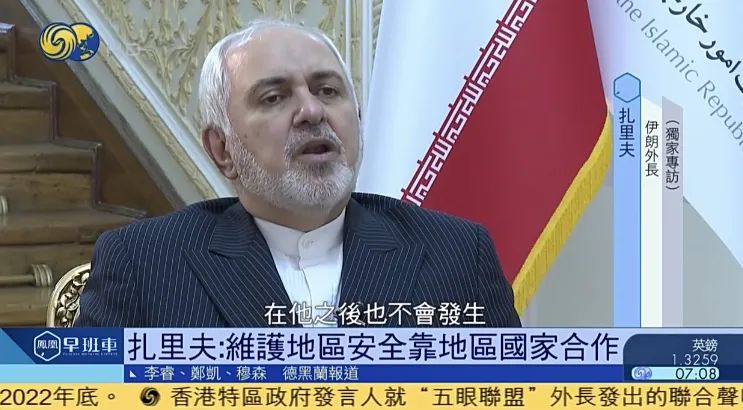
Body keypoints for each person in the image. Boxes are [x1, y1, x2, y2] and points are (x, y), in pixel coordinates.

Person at [75, 19, 521, 328]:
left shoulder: (459, 253)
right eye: (274, 98)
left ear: (358, 120)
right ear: (222, 150)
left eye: (327, 90)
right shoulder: (144, 263)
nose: (311, 111)